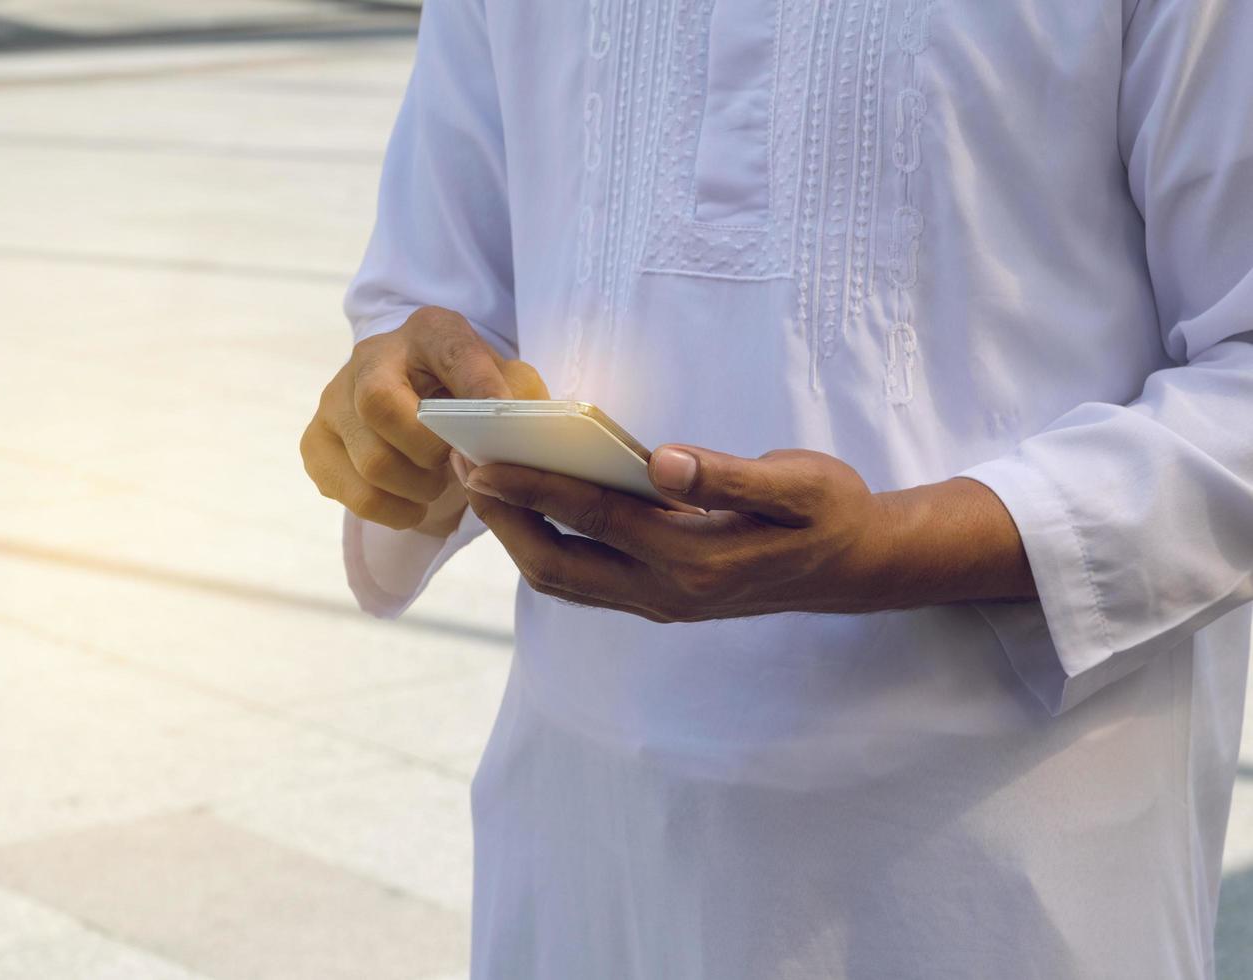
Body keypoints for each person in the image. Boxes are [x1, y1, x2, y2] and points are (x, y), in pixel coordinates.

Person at [300, 0, 1253, 975]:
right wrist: (397, 417)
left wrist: (897, 545)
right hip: (581, 841)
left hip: (1002, 879)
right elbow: (435, 300)